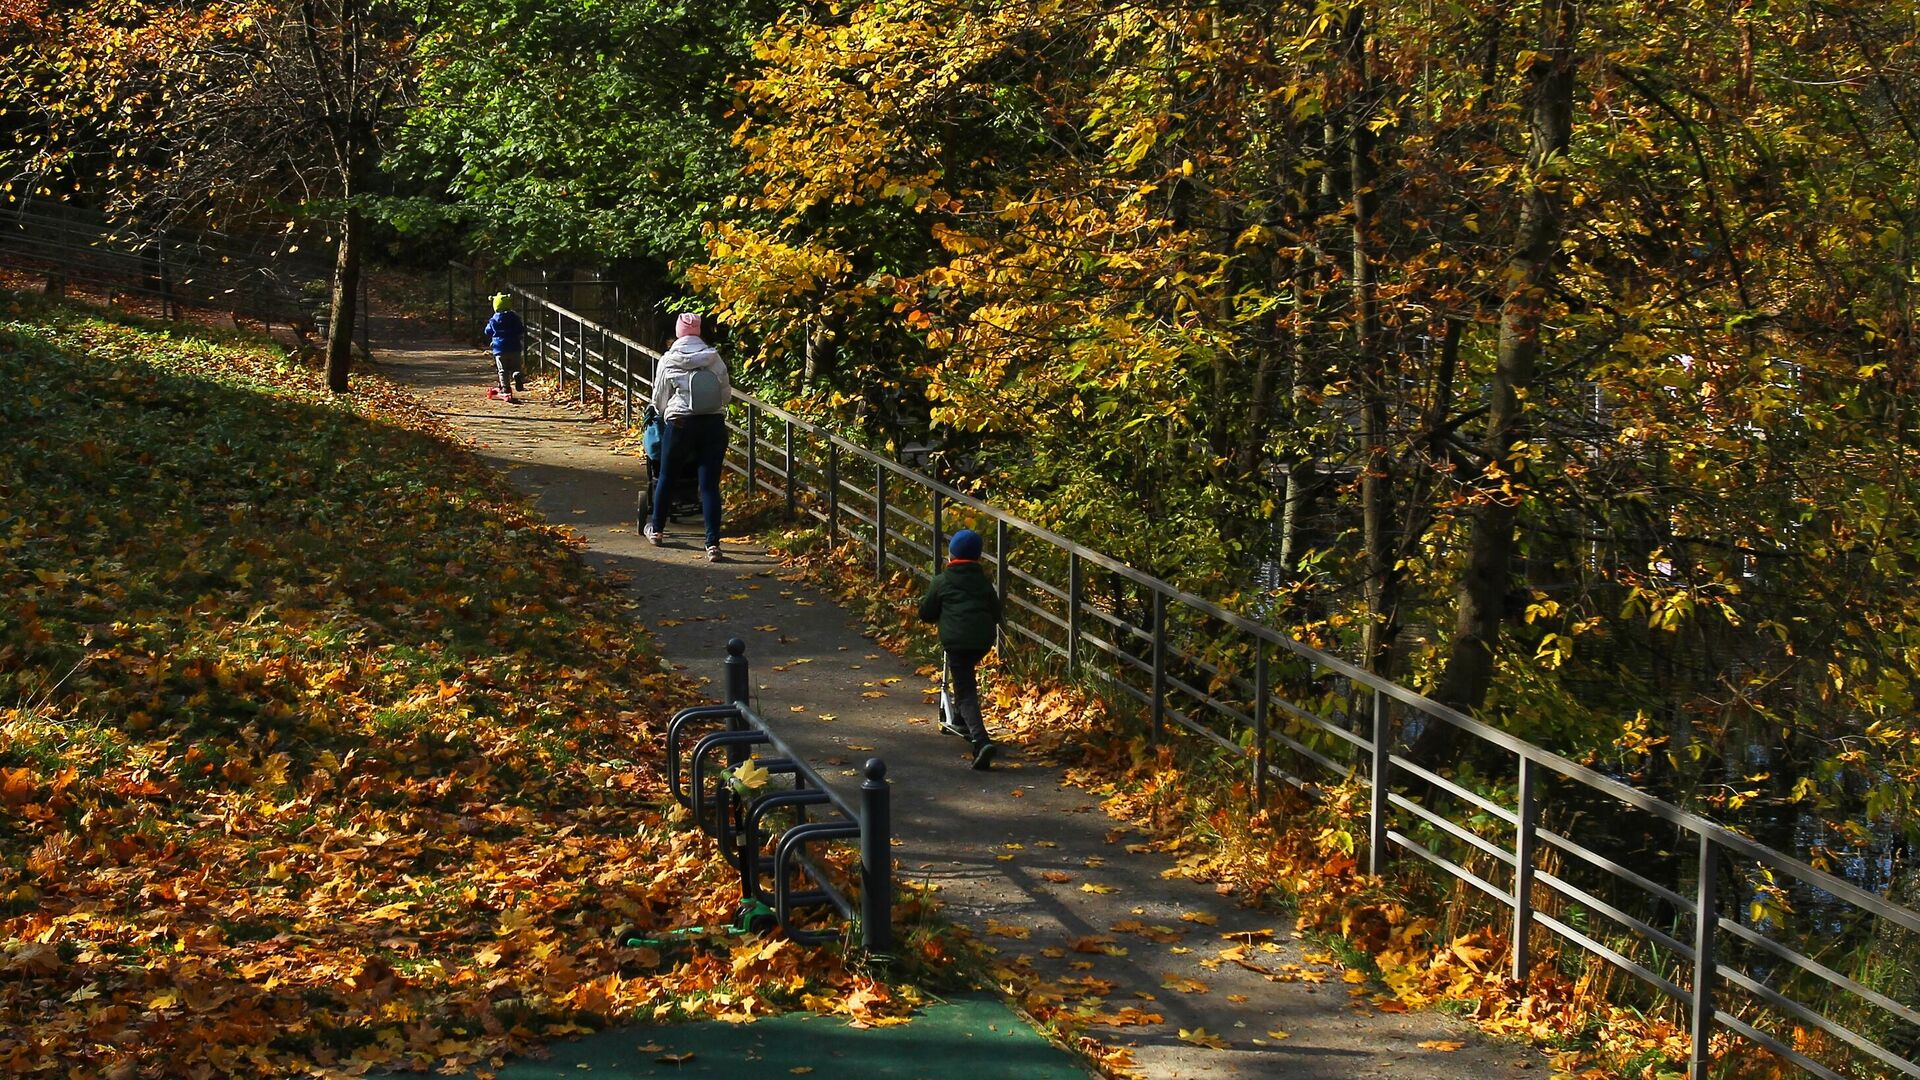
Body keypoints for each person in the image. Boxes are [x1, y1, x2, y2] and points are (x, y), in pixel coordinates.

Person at [644, 313, 731, 561]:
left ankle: (658, 530)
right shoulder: (714, 358)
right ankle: (712, 544)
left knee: (667, 476)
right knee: (709, 486)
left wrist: (665, 414)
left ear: (679, 332)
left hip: (681, 424)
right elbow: (725, 394)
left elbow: (659, 397)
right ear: (699, 331)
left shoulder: (669, 360)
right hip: (713, 424)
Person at [919, 529, 1002, 769]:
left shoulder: (942, 581)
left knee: (965, 690)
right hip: (981, 641)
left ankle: (981, 740)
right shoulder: (984, 583)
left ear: (951, 555)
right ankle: (958, 719)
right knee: (965, 675)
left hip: (956, 642)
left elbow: (927, 612)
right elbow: (996, 612)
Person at [482, 293, 526, 402]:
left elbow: (487, 331)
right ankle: (517, 374)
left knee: (503, 370)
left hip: (500, 349)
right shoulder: (514, 317)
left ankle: (506, 389)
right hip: (514, 347)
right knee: (516, 366)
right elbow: (521, 329)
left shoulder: (494, 319)